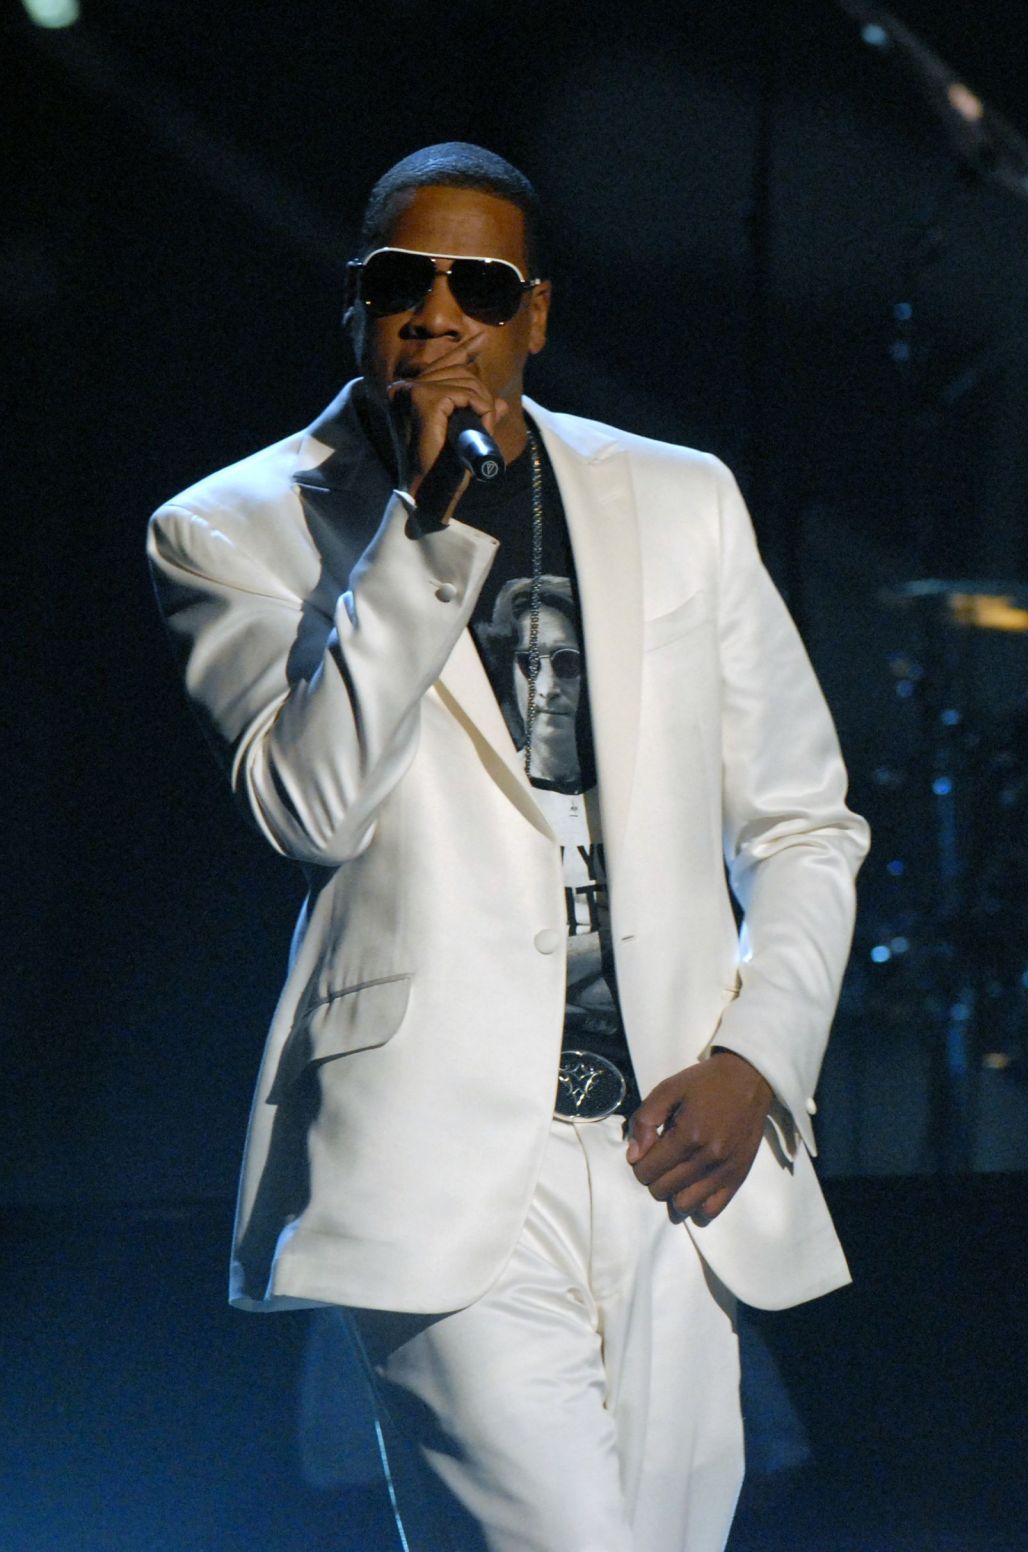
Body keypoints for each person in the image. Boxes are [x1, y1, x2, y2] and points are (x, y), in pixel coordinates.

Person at [147, 142, 868, 1551]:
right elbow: (311, 804)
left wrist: (758, 1062)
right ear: (354, 305)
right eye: (399, 282)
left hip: (676, 1140)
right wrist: (421, 533)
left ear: (534, 313)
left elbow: (803, 822)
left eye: (476, 284)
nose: (435, 316)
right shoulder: (230, 528)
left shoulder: (679, 495)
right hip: (441, 1149)